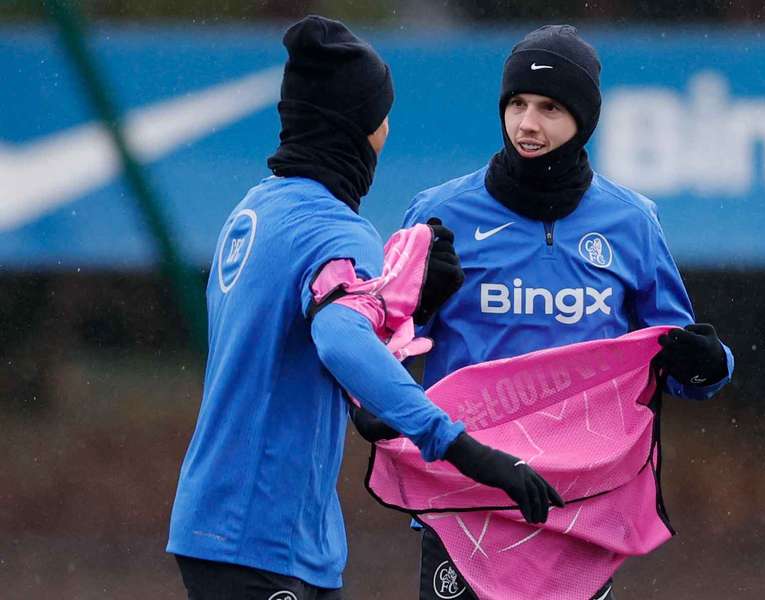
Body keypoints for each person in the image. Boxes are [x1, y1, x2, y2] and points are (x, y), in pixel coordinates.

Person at [166, 16, 562, 600]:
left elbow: (336, 379)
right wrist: (461, 448)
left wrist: (404, 311)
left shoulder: (254, 213)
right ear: (361, 127)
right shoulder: (336, 231)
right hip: (261, 537)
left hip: (244, 530)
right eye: (382, 115)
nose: (387, 129)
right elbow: (339, 340)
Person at [374, 24, 735, 600]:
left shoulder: (631, 221)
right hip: (469, 497)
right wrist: (417, 306)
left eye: (548, 107)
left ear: (584, 120)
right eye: (517, 103)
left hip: (578, 504)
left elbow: (676, 354)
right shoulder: (440, 212)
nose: (527, 124)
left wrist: (708, 363)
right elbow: (381, 346)